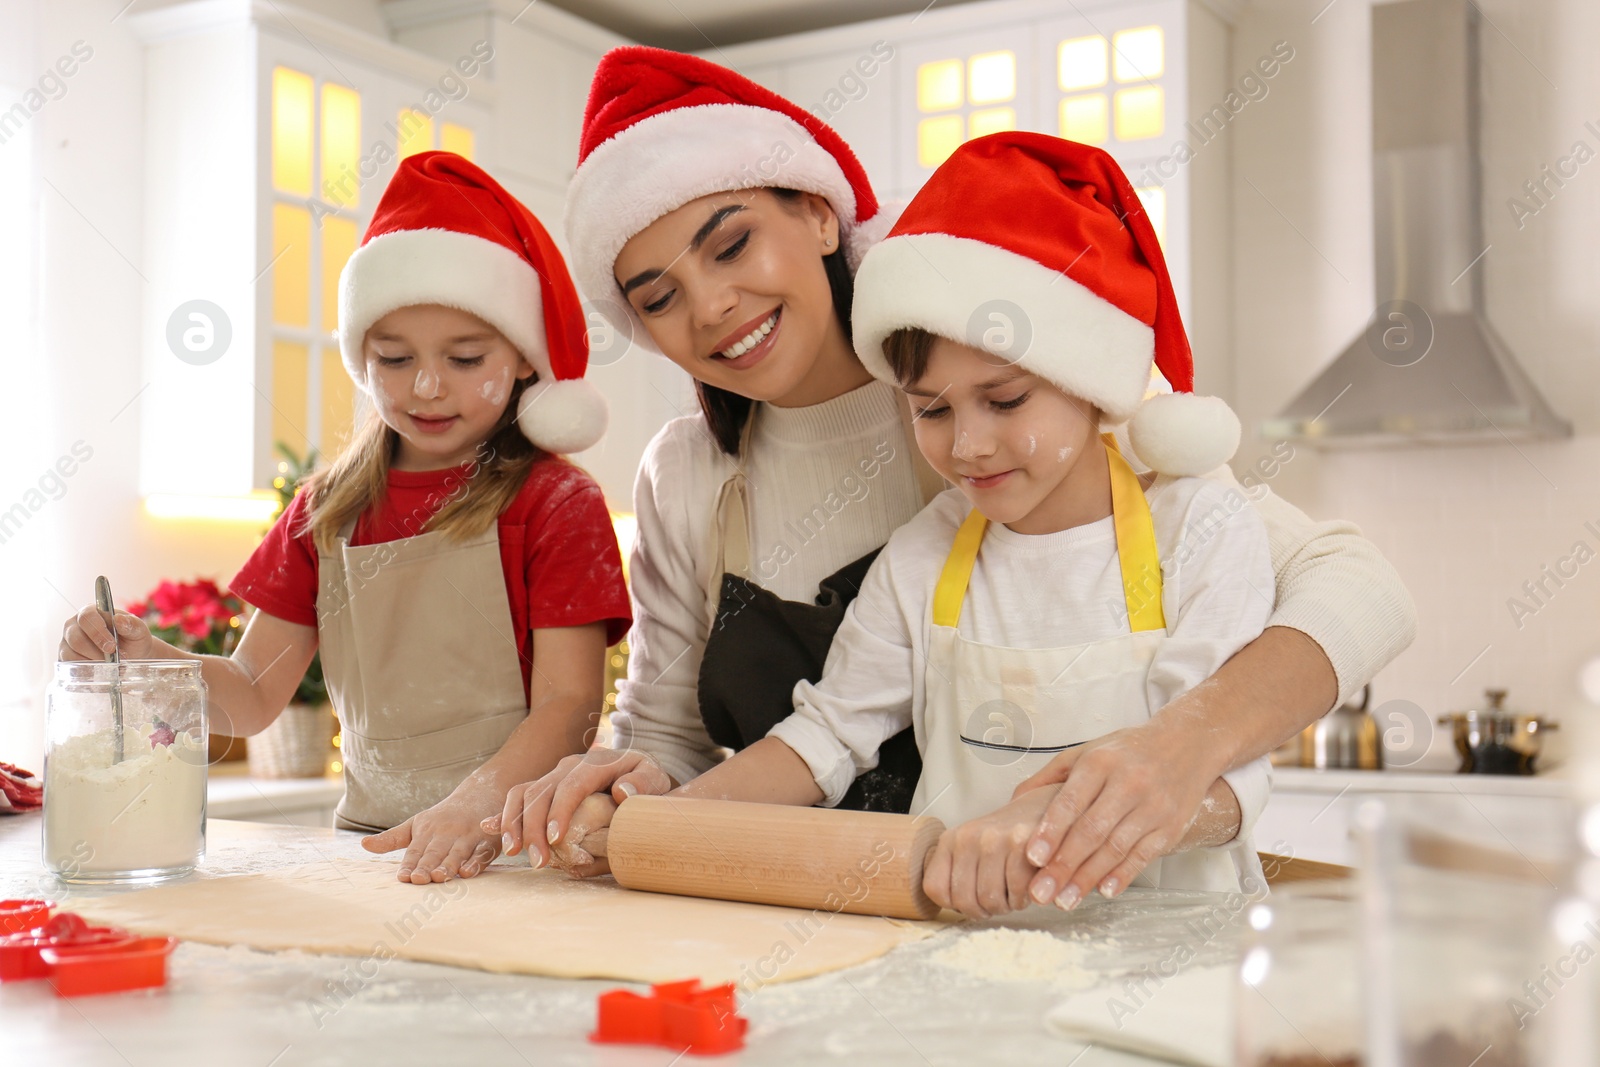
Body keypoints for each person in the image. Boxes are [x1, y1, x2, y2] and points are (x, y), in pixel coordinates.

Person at [487, 48, 1415, 902]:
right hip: (850, 912)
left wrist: (1174, 752)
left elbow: (1359, 586)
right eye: (658, 297)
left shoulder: (1077, 440)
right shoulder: (712, 480)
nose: (713, 304)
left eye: (731, 245)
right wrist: (637, 800)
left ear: (818, 212)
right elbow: (710, 735)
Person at [59, 153, 630, 885]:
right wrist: (148, 660)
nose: (426, 386)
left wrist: (473, 807)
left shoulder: (555, 502)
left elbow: (570, 701)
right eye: (393, 358)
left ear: (523, 357)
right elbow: (253, 692)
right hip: (373, 852)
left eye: (464, 356)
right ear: (361, 358)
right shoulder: (326, 511)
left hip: (516, 849)